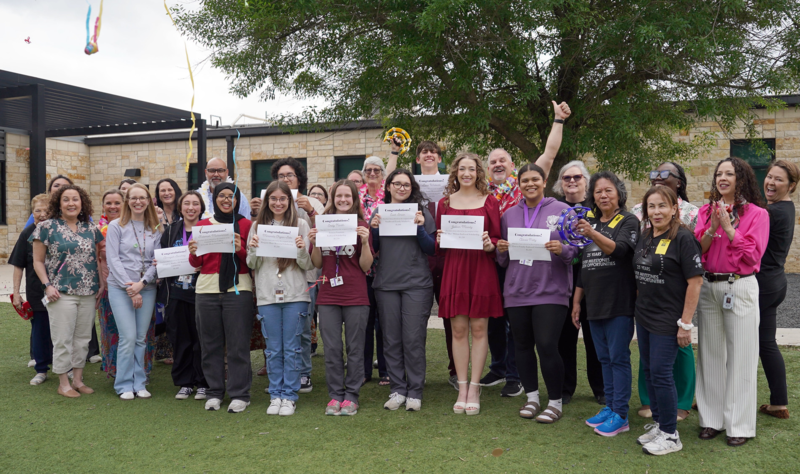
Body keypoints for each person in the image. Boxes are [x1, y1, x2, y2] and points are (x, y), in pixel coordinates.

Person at [480, 101, 572, 398]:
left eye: (502, 161)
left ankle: (542, 393)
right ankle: (511, 376)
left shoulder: (554, 204)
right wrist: (499, 249)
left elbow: (549, 153)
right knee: (508, 334)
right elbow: (499, 254)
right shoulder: (489, 198)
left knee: (544, 342)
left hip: (547, 280)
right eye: (492, 161)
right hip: (509, 276)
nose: (497, 165)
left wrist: (558, 120)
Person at [694, 157, 769, 447]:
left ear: (742, 178)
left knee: (742, 357)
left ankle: (739, 424)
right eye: (719, 174)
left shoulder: (758, 215)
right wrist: (713, 227)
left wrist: (729, 228)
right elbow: (699, 249)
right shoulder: (705, 211)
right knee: (710, 356)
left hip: (740, 286)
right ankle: (712, 420)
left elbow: (753, 256)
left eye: (729, 173)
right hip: (710, 286)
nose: (722, 178)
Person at [496, 163, 578, 423]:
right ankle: (532, 397)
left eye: (535, 180)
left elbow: (574, 251)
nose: (530, 184)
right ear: (518, 185)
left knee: (546, 345)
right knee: (521, 346)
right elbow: (504, 260)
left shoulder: (563, 210)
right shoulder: (509, 215)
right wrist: (500, 249)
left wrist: (561, 250)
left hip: (551, 290)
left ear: (544, 182)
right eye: (525, 181)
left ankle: (555, 401)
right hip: (517, 290)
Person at [632, 186, 704, 455]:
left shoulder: (684, 238)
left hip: (668, 318)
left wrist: (686, 324)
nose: (656, 211)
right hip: (645, 315)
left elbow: (695, 282)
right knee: (650, 370)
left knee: (662, 373)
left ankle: (671, 435)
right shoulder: (646, 235)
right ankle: (660, 424)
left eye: (662, 205)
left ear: (675, 208)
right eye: (651, 206)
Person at [436, 152, 504, 416]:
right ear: (455, 172)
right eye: (462, 169)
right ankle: (462, 387)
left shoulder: (490, 202)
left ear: (478, 173)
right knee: (458, 329)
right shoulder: (444, 203)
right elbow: (439, 248)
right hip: (455, 269)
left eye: (471, 169)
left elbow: (497, 239)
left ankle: (475, 387)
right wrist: (439, 239)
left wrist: (490, 245)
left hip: (481, 269)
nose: (466, 173)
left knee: (479, 328)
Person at [387, 140, 459, 388]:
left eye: (433, 152)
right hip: (418, 259)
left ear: (440, 158)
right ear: (417, 159)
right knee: (412, 324)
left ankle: (455, 370)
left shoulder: (452, 184)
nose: (429, 155)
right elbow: (390, 184)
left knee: (452, 317)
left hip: (449, 255)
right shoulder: (407, 188)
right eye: (424, 152)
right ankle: (407, 373)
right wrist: (394, 153)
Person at [574, 171, 639, 436]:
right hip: (594, 303)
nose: (603, 195)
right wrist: (577, 301)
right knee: (603, 358)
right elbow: (584, 267)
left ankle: (621, 415)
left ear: (619, 194)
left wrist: (591, 232)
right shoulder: (591, 222)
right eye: (598, 191)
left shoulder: (628, 221)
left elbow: (619, 249)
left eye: (608, 190)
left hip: (619, 302)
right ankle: (610, 407)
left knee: (618, 358)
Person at [369, 169, 436, 411]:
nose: (401, 188)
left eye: (406, 185)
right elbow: (373, 248)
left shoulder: (421, 212)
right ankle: (397, 389)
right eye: (397, 184)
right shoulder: (379, 212)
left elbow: (431, 249)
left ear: (412, 188)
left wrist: (419, 227)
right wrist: (374, 230)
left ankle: (415, 391)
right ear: (388, 187)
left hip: (416, 284)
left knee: (413, 339)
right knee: (391, 340)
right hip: (386, 284)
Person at [31, 185, 104, 398]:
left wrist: (100, 284)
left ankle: (78, 380)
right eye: (66, 199)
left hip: (88, 292)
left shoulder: (90, 228)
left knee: (82, 338)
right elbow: (37, 261)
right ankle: (63, 383)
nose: (71, 203)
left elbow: (97, 259)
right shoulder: (46, 227)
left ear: (82, 203)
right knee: (63, 338)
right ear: (58, 204)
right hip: (60, 292)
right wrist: (48, 285)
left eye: (75, 199)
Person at [247, 181, 314, 416]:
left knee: (292, 347)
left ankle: (290, 396)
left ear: (290, 201)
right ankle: (275, 393)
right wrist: (253, 248)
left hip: (296, 294)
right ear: (267, 202)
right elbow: (251, 264)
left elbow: (308, 265)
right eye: (273, 199)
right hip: (267, 295)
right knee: (273, 349)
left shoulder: (301, 225)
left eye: (282, 199)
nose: (278, 203)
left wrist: (301, 249)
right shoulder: (257, 226)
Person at [188, 183, 255, 413]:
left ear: (237, 200)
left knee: (238, 344)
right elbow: (197, 264)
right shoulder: (203, 225)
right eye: (222, 196)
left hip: (238, 289)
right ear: (214, 199)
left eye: (231, 196)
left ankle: (239, 394)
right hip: (206, 290)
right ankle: (214, 391)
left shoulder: (246, 225)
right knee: (210, 344)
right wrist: (193, 252)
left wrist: (240, 248)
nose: (226, 200)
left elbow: (253, 261)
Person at [309, 180, 374, 416]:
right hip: (327, 295)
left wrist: (365, 242)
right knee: (333, 349)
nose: (343, 200)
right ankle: (335, 395)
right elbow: (317, 263)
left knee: (355, 348)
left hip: (356, 294)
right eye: (339, 196)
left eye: (348, 196)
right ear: (332, 199)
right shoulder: (322, 224)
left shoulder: (361, 225)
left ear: (354, 199)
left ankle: (351, 397)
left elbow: (366, 266)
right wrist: (315, 244)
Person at [268, 158, 326, 392]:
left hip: (306, 273)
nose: (285, 179)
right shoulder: (270, 200)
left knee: (302, 327)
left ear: (299, 178)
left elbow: (326, 230)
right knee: (276, 330)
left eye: (290, 175)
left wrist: (310, 210)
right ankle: (280, 374)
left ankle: (303, 373)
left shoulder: (311, 202)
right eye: (281, 176)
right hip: (276, 274)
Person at [552, 160, 605, 406]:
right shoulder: (554, 210)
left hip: (594, 280)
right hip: (563, 279)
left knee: (595, 337)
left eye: (577, 177)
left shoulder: (598, 210)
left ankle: (600, 388)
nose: (571, 181)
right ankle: (565, 388)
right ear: (560, 184)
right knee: (565, 337)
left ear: (586, 180)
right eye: (566, 178)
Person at [105, 184, 162, 400]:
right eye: (133, 198)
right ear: (127, 201)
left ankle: (140, 382)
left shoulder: (155, 228)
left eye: (142, 198)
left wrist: (143, 283)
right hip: (121, 288)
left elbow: (158, 261)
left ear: (149, 201)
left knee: (140, 338)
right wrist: (131, 287)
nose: (138, 202)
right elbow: (113, 259)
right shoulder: (116, 226)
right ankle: (123, 384)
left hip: (146, 288)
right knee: (127, 337)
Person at [156, 191, 208, 401]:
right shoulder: (170, 232)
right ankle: (185, 383)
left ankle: (203, 382)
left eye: (195, 204)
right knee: (180, 339)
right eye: (186, 203)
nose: (191, 208)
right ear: (180, 207)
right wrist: (159, 264)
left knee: (201, 340)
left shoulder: (207, 230)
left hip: (201, 292)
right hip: (175, 294)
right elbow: (162, 257)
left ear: (201, 207)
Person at [757, 160, 799, 420]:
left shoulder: (772, 212)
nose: (771, 182)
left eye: (779, 180)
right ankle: (779, 403)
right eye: (769, 176)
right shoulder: (782, 207)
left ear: (791, 185)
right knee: (766, 343)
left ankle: (720, 399)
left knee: (740, 341)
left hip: (762, 285)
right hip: (775, 283)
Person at [11, 193, 52, 385]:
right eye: (38, 211)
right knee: (40, 329)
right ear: (32, 212)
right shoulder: (27, 233)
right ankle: (41, 369)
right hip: (37, 291)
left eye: (47, 210)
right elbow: (18, 265)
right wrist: (17, 292)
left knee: (64, 330)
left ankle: (66, 367)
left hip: (61, 290)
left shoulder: (59, 230)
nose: (42, 214)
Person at [359, 156, 389, 385]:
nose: (372, 173)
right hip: (362, 267)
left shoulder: (389, 197)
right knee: (365, 321)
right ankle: (365, 369)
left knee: (385, 321)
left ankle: (386, 370)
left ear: (383, 173)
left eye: (376, 170)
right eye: (368, 170)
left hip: (388, 266)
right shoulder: (355, 196)